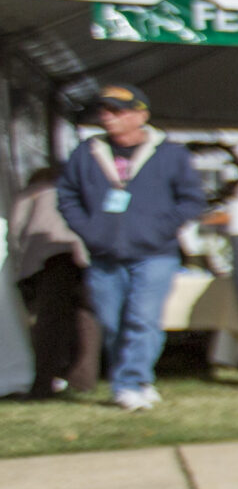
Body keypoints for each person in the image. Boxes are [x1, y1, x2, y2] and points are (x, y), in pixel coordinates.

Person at [55, 84, 205, 411]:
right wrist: (90, 230)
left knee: (143, 319)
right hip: (104, 253)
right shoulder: (87, 152)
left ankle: (129, 383)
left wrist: (159, 230)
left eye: (117, 111)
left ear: (141, 115)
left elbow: (192, 199)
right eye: (104, 111)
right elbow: (67, 196)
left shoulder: (170, 154)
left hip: (155, 254)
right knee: (113, 322)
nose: (108, 118)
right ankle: (137, 379)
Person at [12, 164, 99, 396]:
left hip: (49, 259)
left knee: (50, 323)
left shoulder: (32, 194)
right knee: (86, 318)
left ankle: (43, 381)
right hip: (86, 257)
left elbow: (15, 228)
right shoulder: (85, 190)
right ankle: (83, 379)